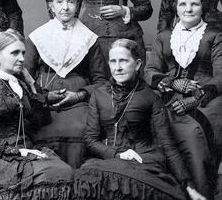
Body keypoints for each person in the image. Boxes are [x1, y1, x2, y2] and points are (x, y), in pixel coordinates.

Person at [74, 39, 205, 200]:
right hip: (107, 159)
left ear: (137, 64)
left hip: (143, 159)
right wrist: (117, 154)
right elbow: (90, 139)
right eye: (113, 61)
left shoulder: (150, 97)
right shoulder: (98, 95)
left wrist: (188, 186)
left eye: (123, 61)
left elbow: (167, 145)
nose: (118, 67)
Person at [0, 29, 73, 200]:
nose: (22, 58)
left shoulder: (17, 85)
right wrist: (18, 152)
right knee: (54, 173)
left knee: (65, 171)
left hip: (26, 152)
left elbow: (41, 119)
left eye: (23, 52)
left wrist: (31, 83)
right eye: (15, 53)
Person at [145, 0, 222, 199]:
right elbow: (150, 71)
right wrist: (172, 83)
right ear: (176, 8)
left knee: (194, 136)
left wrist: (194, 100)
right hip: (168, 96)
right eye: (183, 4)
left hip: (206, 98)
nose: (189, 9)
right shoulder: (164, 36)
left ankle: (200, 192)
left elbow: (221, 75)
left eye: (194, 4)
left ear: (202, 7)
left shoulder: (215, 36)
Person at [25, 0, 107, 168]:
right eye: (60, 2)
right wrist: (44, 96)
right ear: (51, 6)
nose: (65, 7)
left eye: (71, 2)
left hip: (79, 102)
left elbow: (101, 80)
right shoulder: (37, 37)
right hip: (43, 101)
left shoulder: (89, 38)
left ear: (78, 6)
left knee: (80, 130)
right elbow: (25, 78)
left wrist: (79, 95)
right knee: (37, 131)